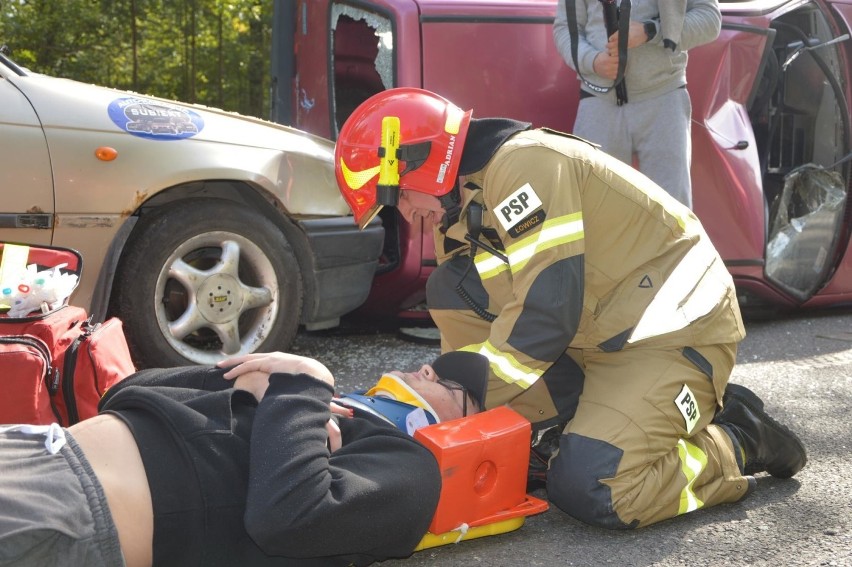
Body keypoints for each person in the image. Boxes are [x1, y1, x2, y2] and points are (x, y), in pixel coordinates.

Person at [333, 87, 807, 530]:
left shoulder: (526, 164)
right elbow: (489, 321)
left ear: (420, 162)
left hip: (671, 333)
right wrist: (471, 430)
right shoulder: (461, 209)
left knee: (595, 486)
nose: (406, 215)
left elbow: (547, 308)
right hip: (593, 337)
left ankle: (735, 438)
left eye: (396, 198)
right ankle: (562, 427)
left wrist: (464, 397)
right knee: (451, 286)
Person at [0, 350, 488, 567]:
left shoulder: (406, 463)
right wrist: (242, 379)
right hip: (34, 445)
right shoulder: (293, 405)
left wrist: (303, 381)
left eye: (448, 384)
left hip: (68, 510)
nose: (421, 368)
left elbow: (291, 518)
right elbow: (124, 394)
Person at [552, 0, 722, 208]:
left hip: (664, 100)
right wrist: (593, 61)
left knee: (672, 218)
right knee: (595, 213)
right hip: (598, 101)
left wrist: (650, 31)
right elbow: (565, 28)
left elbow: (710, 20)